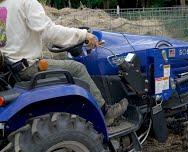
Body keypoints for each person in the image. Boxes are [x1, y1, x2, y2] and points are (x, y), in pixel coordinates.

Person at [0, 0, 128, 123]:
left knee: (63, 62)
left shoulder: (4, 5)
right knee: (78, 68)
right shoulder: (26, 2)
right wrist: (84, 35)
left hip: (13, 67)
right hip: (28, 67)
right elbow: (50, 32)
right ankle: (105, 112)